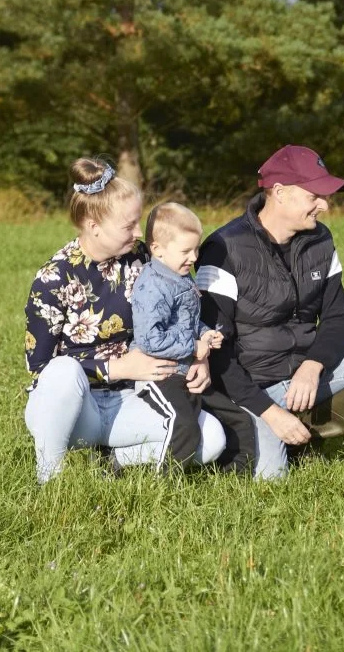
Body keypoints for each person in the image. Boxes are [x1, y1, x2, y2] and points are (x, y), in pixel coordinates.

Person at [196, 145, 344, 479]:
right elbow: (215, 354)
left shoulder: (321, 239)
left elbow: (338, 317)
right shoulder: (224, 248)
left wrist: (313, 365)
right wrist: (270, 412)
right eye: (314, 196)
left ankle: (306, 433)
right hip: (249, 388)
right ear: (279, 193)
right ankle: (268, 432)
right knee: (271, 477)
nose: (324, 205)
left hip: (301, 376)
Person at [24, 158, 225, 484]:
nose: (137, 233)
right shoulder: (53, 278)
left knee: (212, 438)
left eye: (138, 222)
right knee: (62, 372)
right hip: (75, 409)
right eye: (128, 226)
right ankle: (51, 476)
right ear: (94, 226)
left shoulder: (145, 257)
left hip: (133, 399)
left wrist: (198, 356)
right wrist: (116, 368)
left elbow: (180, 313)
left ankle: (114, 462)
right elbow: (39, 367)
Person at [130, 202, 259, 474]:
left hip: (187, 371)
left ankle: (236, 479)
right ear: (158, 250)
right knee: (184, 423)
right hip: (160, 375)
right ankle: (165, 482)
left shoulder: (180, 275)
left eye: (196, 249)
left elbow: (187, 320)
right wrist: (194, 346)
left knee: (239, 420)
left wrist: (204, 332)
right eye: (186, 251)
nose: (193, 257)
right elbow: (149, 340)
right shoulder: (152, 285)